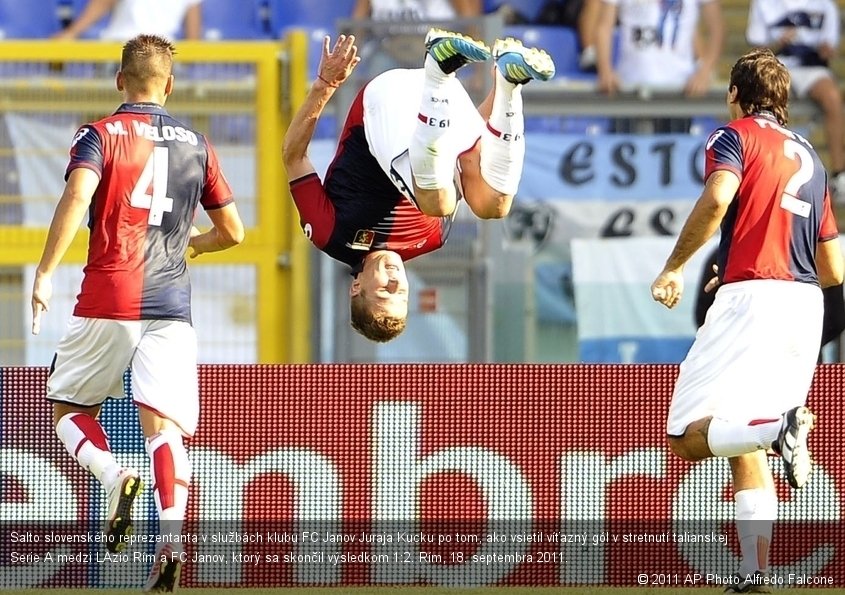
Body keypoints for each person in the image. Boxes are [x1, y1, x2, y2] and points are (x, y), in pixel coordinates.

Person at [30, 34, 243, 592]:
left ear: (119, 80)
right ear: (169, 86)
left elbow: (78, 198)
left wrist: (46, 272)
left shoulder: (98, 134)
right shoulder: (198, 144)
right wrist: (190, 246)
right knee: (164, 426)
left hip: (110, 294)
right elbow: (234, 232)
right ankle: (170, 538)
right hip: (172, 305)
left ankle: (114, 475)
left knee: (68, 404)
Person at [651, 48, 844, 593]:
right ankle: (755, 569)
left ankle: (780, 427)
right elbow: (833, 266)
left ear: (735, 94)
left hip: (754, 298)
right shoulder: (812, 155)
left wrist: (675, 267)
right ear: (785, 100)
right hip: (804, 305)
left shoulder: (732, 136)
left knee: (684, 437)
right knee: (744, 443)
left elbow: (718, 197)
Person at [283, 29, 554, 342]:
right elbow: (468, 150)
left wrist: (325, 85)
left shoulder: (332, 235)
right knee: (492, 205)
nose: (396, 285)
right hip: (439, 104)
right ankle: (511, 83)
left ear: (356, 287)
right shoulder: (433, 238)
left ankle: (438, 69)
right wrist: (498, 91)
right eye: (402, 297)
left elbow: (293, 157)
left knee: (439, 202)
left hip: (387, 101)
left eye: (385, 293)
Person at [746, 0, 845, 202]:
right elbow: (755, 49)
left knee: (833, 97)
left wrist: (824, 49)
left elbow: (829, 49)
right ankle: (760, 168)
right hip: (775, 65)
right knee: (762, 97)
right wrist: (778, 43)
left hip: (811, 69)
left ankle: (839, 174)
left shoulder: (825, 6)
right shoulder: (763, 3)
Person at [694, 247, 845, 363]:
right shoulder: (819, 255)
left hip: (736, 362)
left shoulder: (725, 253)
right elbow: (836, 318)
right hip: (800, 363)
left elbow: (704, 316)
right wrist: (802, 342)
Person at [595, 0, 724, 97]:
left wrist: (704, 72)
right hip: (629, 86)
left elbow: (717, 28)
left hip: (680, 88)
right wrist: (605, 70)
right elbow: (603, 27)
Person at [55, 0, 202, 41]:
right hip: (160, 54)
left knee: (104, 113)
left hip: (121, 49)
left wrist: (71, 33)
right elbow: (193, 36)